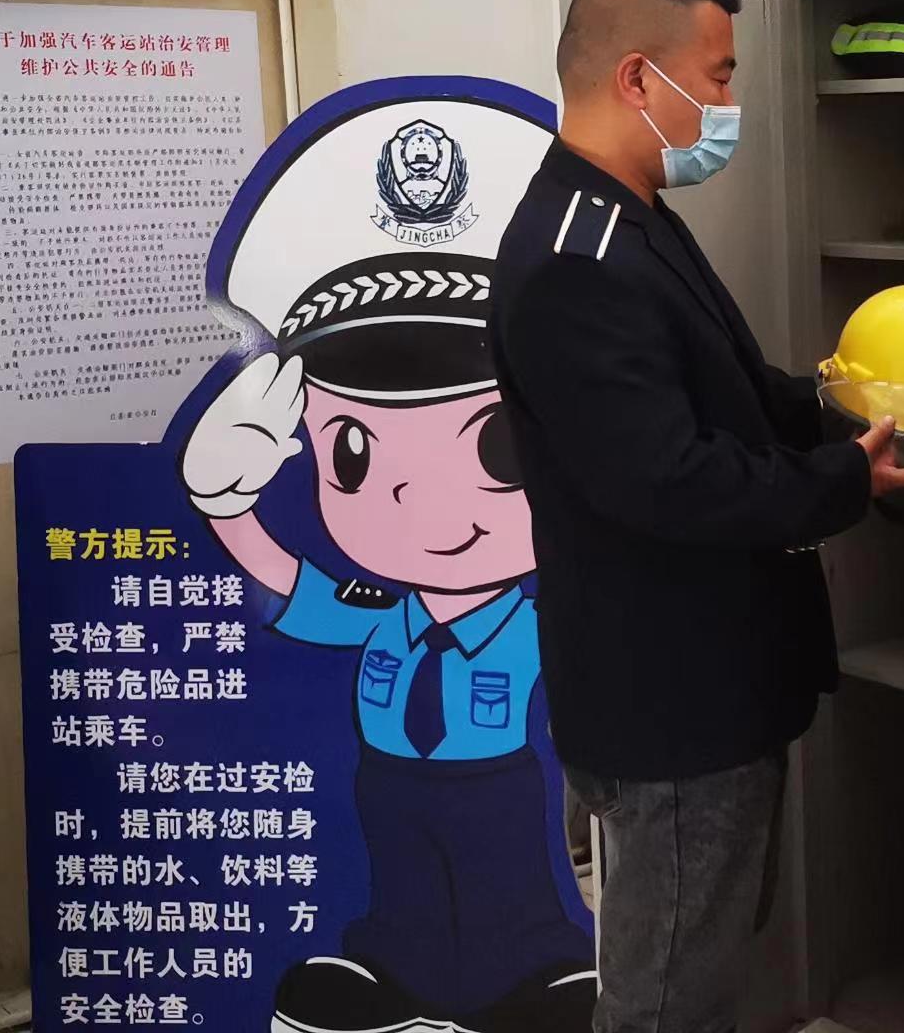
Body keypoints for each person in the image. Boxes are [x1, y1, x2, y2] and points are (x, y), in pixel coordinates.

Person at [490, 0, 904, 1030]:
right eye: (720, 75)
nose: (729, 105)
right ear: (639, 78)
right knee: (666, 1002)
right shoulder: (576, 260)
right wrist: (841, 479)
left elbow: (717, 387)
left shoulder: (631, 217)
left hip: (708, 690)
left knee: (702, 968)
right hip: (670, 711)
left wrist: (831, 404)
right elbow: (670, 480)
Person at [179, 92, 594, 1033]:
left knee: (508, 885)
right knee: (399, 886)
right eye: (356, 454)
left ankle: (531, 975)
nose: (424, 504)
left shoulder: (544, 620)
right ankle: (394, 976)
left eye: (498, 449)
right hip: (388, 786)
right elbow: (287, 584)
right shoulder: (376, 610)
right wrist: (225, 503)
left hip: (500, 787)